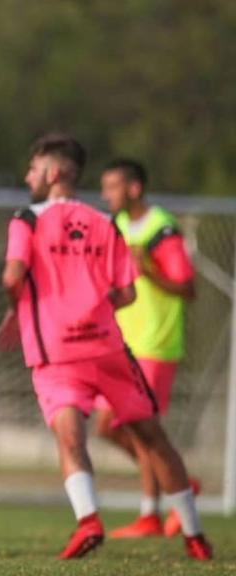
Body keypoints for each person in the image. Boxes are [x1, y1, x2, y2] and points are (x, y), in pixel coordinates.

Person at [0, 133, 211, 561]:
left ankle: (89, 520)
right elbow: (127, 293)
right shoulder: (104, 223)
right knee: (154, 437)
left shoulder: (27, 219)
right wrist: (94, 305)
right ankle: (194, 536)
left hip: (56, 353)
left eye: (33, 169)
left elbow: (11, 276)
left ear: (53, 173)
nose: (27, 177)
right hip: (108, 349)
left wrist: (16, 309)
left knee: (70, 436)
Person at [95, 159, 198, 538]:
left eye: (113, 187)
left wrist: (150, 269)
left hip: (156, 343)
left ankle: (150, 514)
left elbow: (188, 289)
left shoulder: (161, 231)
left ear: (134, 188)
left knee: (144, 430)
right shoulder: (116, 227)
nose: (106, 195)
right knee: (106, 427)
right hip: (123, 342)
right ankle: (181, 483)